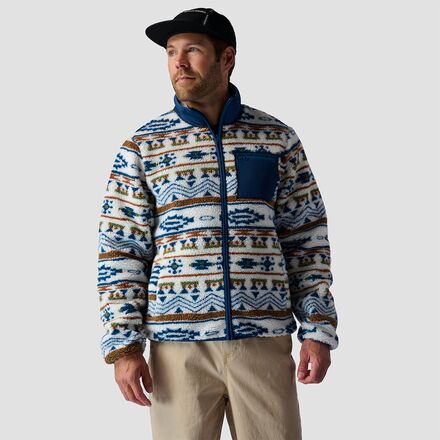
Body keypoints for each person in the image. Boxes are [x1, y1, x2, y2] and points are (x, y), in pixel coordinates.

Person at [97, 7, 339, 439]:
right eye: (171, 52)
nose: (179, 62)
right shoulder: (143, 147)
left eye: (192, 50)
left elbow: (306, 239)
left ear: (227, 58)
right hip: (177, 350)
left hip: (262, 343)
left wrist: (318, 329)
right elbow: (121, 250)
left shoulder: (277, 139)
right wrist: (123, 346)